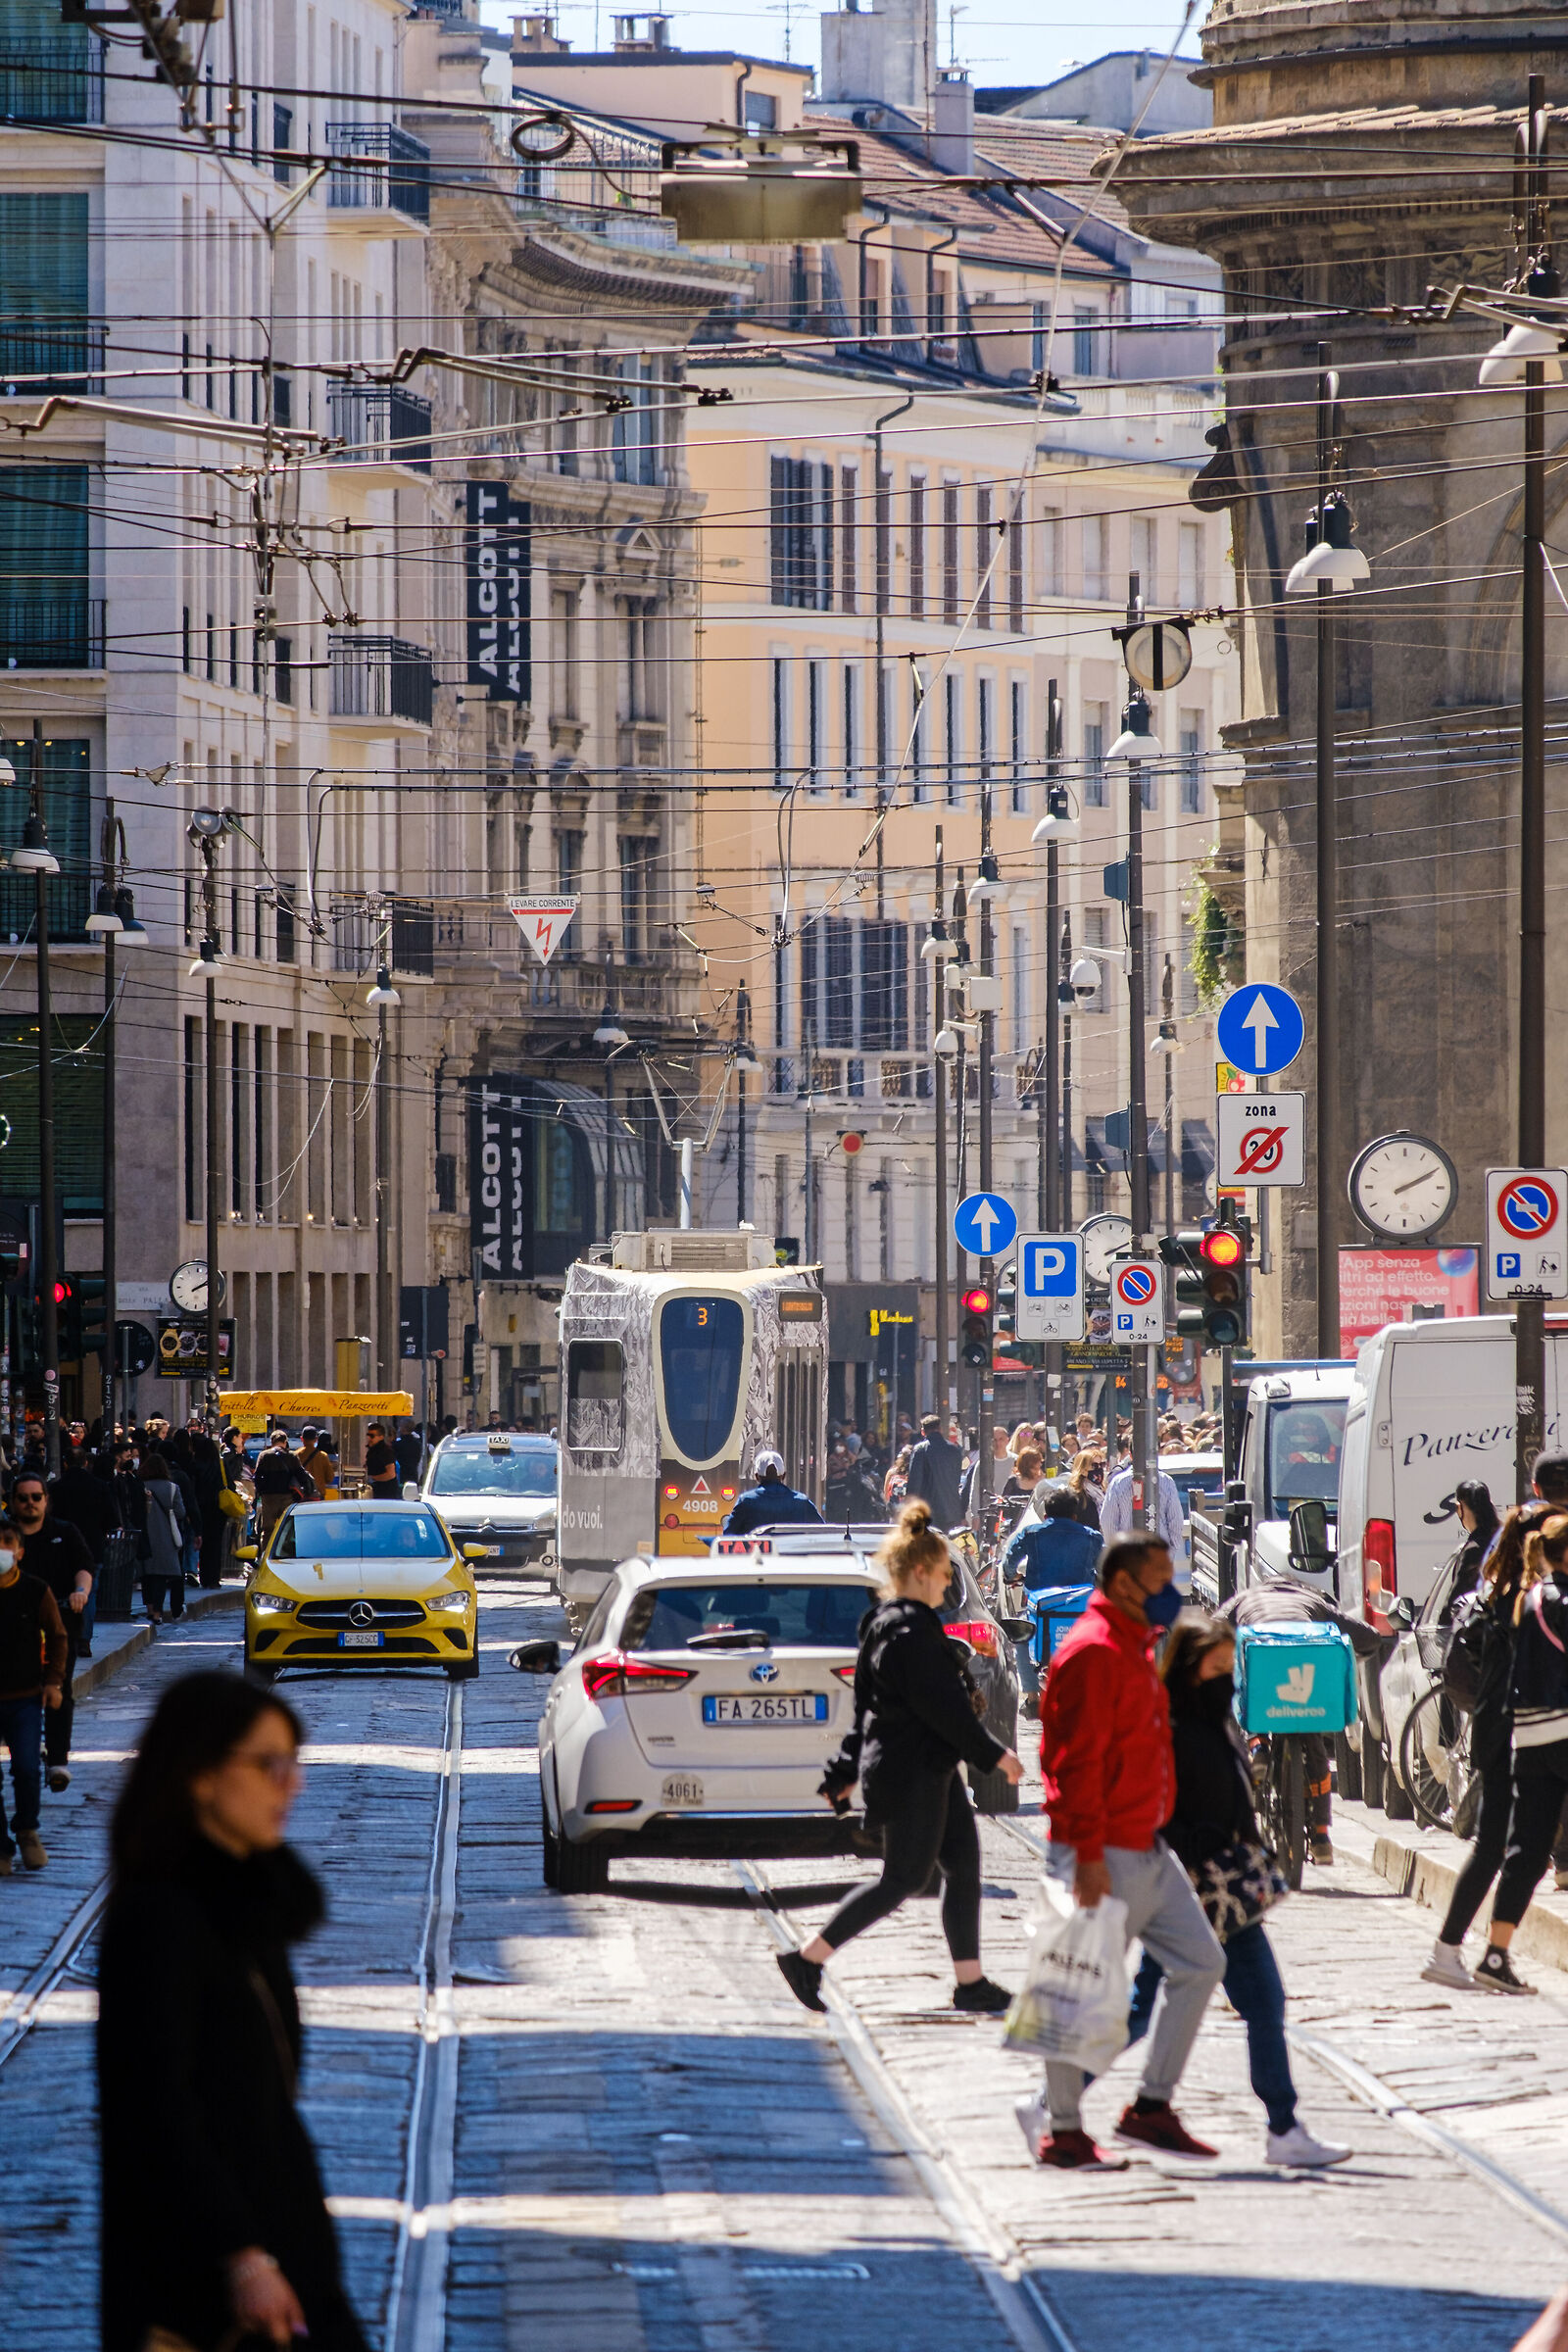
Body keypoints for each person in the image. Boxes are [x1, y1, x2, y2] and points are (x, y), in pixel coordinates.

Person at [98, 1671, 369, 2352]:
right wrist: (243, 2256)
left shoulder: (248, 1910)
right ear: (200, 1776)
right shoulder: (161, 1919)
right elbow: (155, 2109)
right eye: (269, 1764)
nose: (294, 1783)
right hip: (207, 2286)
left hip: (280, 2253)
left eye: (294, 1761)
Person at [776, 1499, 1024, 2015]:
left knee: (964, 1867)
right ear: (918, 1573)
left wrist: (845, 1771)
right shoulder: (908, 1633)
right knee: (903, 1879)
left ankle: (970, 1981)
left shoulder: (884, 1623)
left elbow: (864, 1707)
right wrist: (994, 1755)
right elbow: (945, 1710)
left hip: (932, 1768)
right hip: (915, 1772)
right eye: (940, 1575)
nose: (944, 1586)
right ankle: (808, 1958)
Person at [1125, 1611, 1350, 2167]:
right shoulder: (1167, 1726)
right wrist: (1197, 1844)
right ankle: (1065, 2101)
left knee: (1252, 2002)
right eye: (1216, 1666)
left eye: (1231, 1666)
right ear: (1188, 1665)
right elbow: (1154, 1808)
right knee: (1146, 2007)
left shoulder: (1216, 1718)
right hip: (1190, 1890)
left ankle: (1278, 2126)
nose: (1225, 1676)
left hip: (1221, 1893)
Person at [1032, 1533, 1226, 2168]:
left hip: (1147, 1844)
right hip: (1102, 1853)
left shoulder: (1135, 1643)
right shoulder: (1093, 1652)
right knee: (1075, 1990)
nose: (1173, 1591)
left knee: (1201, 1962)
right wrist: (1086, 1856)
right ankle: (1062, 2130)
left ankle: (1151, 2107)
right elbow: (1074, 1763)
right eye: (1161, 1578)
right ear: (1123, 1584)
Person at [1424, 1494, 1540, 1987]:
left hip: (1499, 1731)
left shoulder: (1495, 1592)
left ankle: (1458, 1952)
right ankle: (1481, 1954)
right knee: (1518, 1848)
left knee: (1500, 1846)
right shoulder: (1530, 1599)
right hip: (1526, 1735)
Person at [1218, 1574, 1382, 1868]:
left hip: (1261, 1654)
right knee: (1314, 1740)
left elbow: (1211, 1628)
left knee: (1248, 1695)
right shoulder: (1314, 1602)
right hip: (1309, 1677)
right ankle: (1320, 1838)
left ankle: (1258, 1746)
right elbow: (1369, 1636)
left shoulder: (1245, 1598)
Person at [1471, 1510, 1568, 1994]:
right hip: (1565, 1730)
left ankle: (1495, 1953)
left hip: (1528, 1738)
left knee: (1527, 1851)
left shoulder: (1526, 1598)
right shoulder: (1563, 1599)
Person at [12, 1470, 95, 1792]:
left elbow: (84, 1567)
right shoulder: (7, 1536)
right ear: (13, 1502)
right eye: (23, 1498)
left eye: (36, 1497)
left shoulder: (64, 1532)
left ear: (46, 1500)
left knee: (59, 1688)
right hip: (13, 1629)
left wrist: (80, 1593)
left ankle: (58, 1758)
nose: (30, 1503)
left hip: (57, 1627)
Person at [0, 1508, 67, 1872]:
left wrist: (54, 1682)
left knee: (26, 1768)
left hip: (25, 1697)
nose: (2, 1549)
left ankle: (27, 1830)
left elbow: (58, 1637)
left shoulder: (35, 1590)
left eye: (8, 1543)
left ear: (20, 1551)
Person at [51, 1442, 122, 1659]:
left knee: (62, 1592)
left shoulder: (56, 1488)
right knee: (88, 1594)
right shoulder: (100, 1486)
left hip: (61, 1547)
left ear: (65, 1463)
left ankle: (67, 1637)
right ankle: (84, 1639)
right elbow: (112, 1520)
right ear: (85, 1462)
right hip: (93, 1548)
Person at [721, 1449, 825, 1537]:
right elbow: (822, 1532)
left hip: (756, 1558)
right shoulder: (802, 1502)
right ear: (784, 1476)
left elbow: (728, 1536)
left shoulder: (746, 1501)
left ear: (757, 1477)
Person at [1100, 1453, 1186, 1559]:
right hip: (1157, 1553)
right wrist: (1169, 1552)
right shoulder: (1166, 1481)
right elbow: (1176, 1522)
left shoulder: (1118, 1482)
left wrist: (1117, 1553)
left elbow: (1108, 1523)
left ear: (1130, 1456)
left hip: (1128, 1555)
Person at [138, 1451, 190, 1627]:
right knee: (160, 1576)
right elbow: (181, 1512)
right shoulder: (172, 1488)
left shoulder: (140, 1485)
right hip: (165, 1535)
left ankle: (150, 1609)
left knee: (147, 1574)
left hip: (144, 1533)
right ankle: (158, 1612)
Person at [904, 1411, 964, 1531]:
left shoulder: (920, 1450)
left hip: (928, 1512)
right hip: (952, 1510)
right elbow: (957, 1479)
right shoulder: (955, 1450)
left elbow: (914, 1484)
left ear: (923, 1431)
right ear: (940, 1429)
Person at [252, 1429, 316, 1538]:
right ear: (285, 1442)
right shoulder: (292, 1456)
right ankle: (285, 1552)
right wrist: (306, 1492)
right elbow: (301, 1475)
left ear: (272, 1442)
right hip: (287, 1497)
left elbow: (257, 1477)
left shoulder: (264, 1455)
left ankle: (266, 1552)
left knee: (268, 1530)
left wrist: (261, 1492)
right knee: (288, 1529)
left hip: (268, 1498)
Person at [296, 1424, 333, 1500]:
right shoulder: (323, 1456)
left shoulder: (295, 1455)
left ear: (302, 1438)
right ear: (316, 1439)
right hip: (318, 1495)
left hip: (300, 1495)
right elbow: (329, 1478)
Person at [364, 1421, 399, 1500]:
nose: (369, 1438)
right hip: (376, 1490)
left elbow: (391, 1474)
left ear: (381, 1437)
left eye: (372, 1436)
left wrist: (373, 1478)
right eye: (368, 1435)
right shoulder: (372, 1450)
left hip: (386, 1493)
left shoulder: (385, 1451)